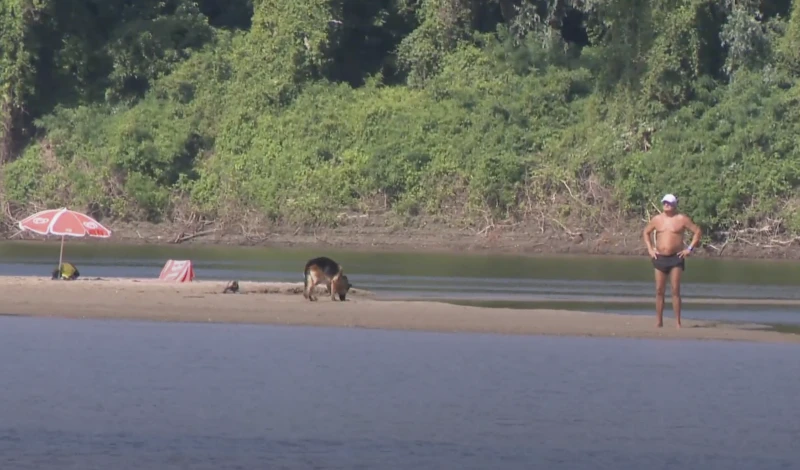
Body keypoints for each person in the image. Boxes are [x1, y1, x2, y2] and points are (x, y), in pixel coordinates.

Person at [642, 194, 702, 328]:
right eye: (664, 203)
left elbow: (697, 231)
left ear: (674, 204)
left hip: (676, 258)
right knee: (659, 290)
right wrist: (650, 249)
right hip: (660, 257)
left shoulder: (681, 219)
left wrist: (689, 249)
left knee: (675, 290)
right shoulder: (657, 219)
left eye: (669, 203)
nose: (666, 205)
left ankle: (678, 322)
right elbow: (646, 232)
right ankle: (659, 321)